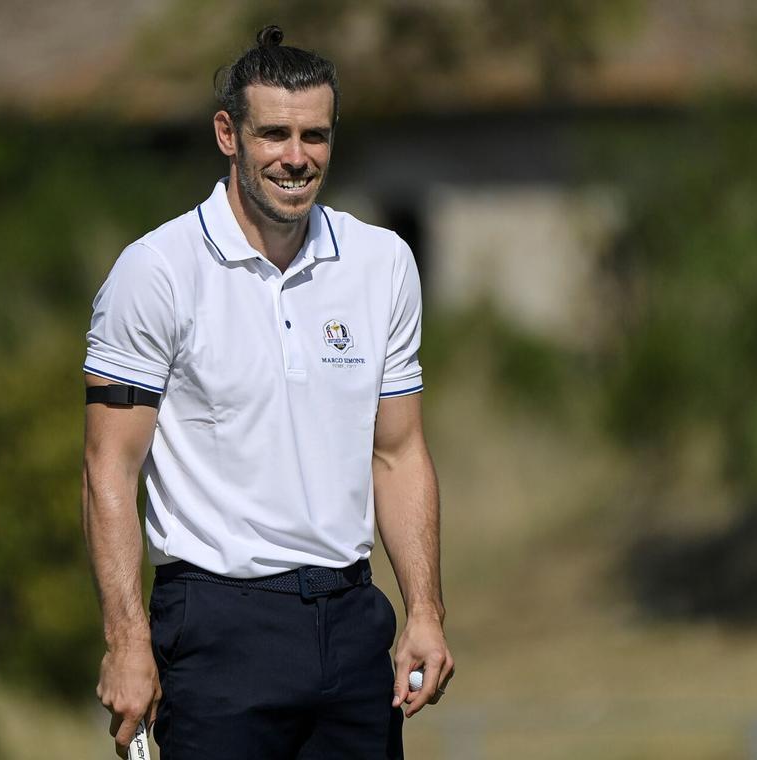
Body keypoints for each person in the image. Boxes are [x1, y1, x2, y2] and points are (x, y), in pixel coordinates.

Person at [80, 24, 453, 760]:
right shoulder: (155, 271)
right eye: (274, 134)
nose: (296, 157)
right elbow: (108, 468)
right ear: (229, 134)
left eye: (315, 136)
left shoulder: (382, 263)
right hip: (216, 626)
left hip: (352, 622)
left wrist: (425, 610)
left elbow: (399, 453)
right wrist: (126, 641)